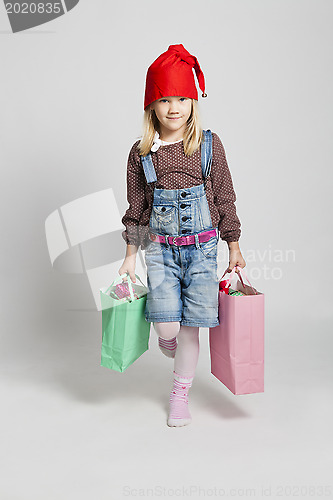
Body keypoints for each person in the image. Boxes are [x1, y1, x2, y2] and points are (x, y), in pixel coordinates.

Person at [119, 44, 246, 427]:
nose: (174, 108)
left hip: (204, 251)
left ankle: (179, 396)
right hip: (160, 252)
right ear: (151, 107)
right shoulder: (142, 154)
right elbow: (137, 208)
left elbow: (224, 196)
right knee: (168, 326)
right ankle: (167, 337)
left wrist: (234, 245)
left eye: (182, 98)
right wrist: (129, 255)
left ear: (193, 102)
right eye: (164, 100)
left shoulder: (208, 145)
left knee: (192, 328)